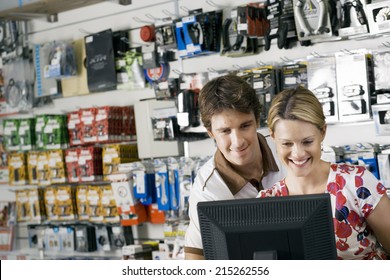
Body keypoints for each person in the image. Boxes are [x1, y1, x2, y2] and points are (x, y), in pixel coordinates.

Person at [258, 86, 390, 260]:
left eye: (307, 142)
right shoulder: (267, 202)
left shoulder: (357, 182)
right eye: (287, 144)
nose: (298, 153)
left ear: (323, 132)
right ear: (273, 137)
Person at [184, 74, 286, 260]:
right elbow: (195, 258)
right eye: (225, 131)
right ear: (211, 133)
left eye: (245, 126)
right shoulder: (207, 190)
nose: (238, 142)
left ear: (257, 120)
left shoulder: (287, 151)